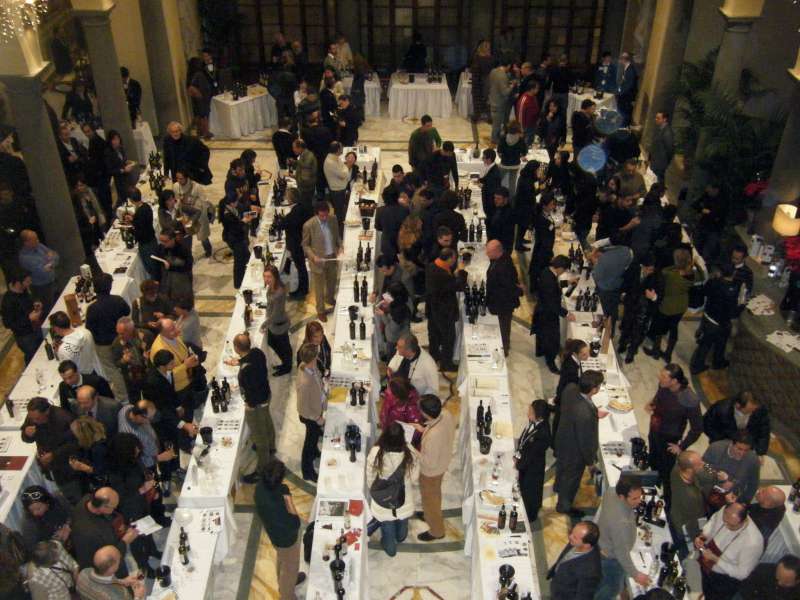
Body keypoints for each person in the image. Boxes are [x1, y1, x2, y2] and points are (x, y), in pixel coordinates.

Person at [106, 433, 166, 574]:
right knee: (137, 539)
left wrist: (151, 489)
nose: (138, 450)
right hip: (130, 509)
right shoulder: (115, 472)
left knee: (148, 527)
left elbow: (143, 474)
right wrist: (142, 490)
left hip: (142, 503)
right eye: (135, 448)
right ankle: (143, 565)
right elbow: (120, 498)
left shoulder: (134, 460)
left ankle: (152, 550)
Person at [646, 364, 702, 498]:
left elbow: (697, 428)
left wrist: (681, 446)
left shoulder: (689, 399)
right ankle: (651, 483)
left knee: (665, 469)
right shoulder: (663, 385)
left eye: (663, 376)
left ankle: (662, 495)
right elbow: (659, 397)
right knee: (653, 458)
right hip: (655, 429)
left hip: (669, 438)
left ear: (674, 381)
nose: (659, 377)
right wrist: (653, 404)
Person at [553, 371, 604, 516]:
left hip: (563, 440)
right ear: (594, 389)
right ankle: (564, 506)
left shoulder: (570, 388)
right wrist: (590, 461)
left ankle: (557, 487)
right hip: (574, 453)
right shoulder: (585, 414)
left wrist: (593, 411)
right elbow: (585, 441)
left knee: (561, 469)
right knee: (570, 481)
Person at [254, 459, 306, 597]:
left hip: (274, 534)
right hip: (285, 539)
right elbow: (295, 523)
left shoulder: (260, 487)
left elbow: (282, 488)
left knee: (283, 560)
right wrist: (289, 500)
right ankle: (287, 594)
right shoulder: (276, 508)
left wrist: (284, 490)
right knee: (290, 567)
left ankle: (288, 580)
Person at [367, 422, 420, 556]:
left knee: (387, 527)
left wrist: (375, 489)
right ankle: (401, 537)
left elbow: (370, 476)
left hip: (383, 500)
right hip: (403, 498)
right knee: (402, 522)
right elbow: (414, 478)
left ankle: (390, 548)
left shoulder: (376, 452)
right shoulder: (410, 451)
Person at [595, 477, 652, 599]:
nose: (639, 501)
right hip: (610, 557)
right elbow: (621, 553)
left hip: (601, 541)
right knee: (612, 588)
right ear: (621, 497)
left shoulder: (611, 491)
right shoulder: (621, 523)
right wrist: (636, 575)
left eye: (640, 496)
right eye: (634, 499)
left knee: (600, 581)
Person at [695, 502, 763, 600]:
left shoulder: (753, 542)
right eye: (724, 520)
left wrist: (715, 559)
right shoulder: (725, 510)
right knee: (697, 588)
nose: (725, 525)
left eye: (731, 525)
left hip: (721, 579)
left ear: (742, 522)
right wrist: (703, 536)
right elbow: (712, 522)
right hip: (705, 562)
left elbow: (742, 573)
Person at [232, 330, 274, 480]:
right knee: (267, 420)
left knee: (259, 434)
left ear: (236, 348)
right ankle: (271, 446)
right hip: (266, 395)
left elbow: (250, 390)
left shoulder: (245, 371)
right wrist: (239, 362)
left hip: (256, 403)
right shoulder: (257, 352)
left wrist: (249, 404)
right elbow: (254, 364)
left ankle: (262, 469)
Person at [71, 488, 139, 578]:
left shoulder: (87, 499)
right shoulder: (91, 533)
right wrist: (125, 541)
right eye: (113, 507)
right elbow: (109, 558)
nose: (114, 510)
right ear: (103, 507)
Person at [415, 394, 455, 542]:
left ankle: (437, 531)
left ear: (426, 413)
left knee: (430, 500)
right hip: (443, 461)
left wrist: (413, 451)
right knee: (434, 495)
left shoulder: (433, 436)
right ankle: (428, 514)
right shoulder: (445, 414)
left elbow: (429, 463)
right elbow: (435, 426)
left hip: (431, 473)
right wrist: (423, 428)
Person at [644, 248, 696, 364]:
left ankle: (655, 351)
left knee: (659, 328)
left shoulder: (670, 275)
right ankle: (668, 354)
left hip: (667, 306)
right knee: (673, 328)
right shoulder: (692, 273)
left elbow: (663, 273)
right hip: (681, 305)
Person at [85, 272, 131, 399]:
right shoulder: (118, 300)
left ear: (95, 289)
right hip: (120, 339)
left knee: (112, 369)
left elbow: (89, 328)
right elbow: (127, 311)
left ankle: (123, 395)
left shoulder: (92, 309)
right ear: (110, 286)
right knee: (125, 363)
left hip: (103, 344)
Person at [690, 263, 740, 374]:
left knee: (705, 344)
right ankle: (713, 363)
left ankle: (703, 364)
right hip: (720, 322)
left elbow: (704, 291)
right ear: (734, 273)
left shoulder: (714, 282)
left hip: (708, 316)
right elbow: (732, 310)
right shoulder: (732, 290)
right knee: (718, 344)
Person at [425, 248, 467, 371]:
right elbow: (459, 286)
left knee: (434, 334)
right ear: (449, 259)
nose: (455, 261)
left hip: (432, 307)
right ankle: (446, 364)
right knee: (448, 337)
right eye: (454, 258)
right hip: (443, 311)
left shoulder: (432, 266)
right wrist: (462, 271)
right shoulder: (442, 275)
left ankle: (434, 356)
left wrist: (453, 275)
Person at [531, 255, 573, 374]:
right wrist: (566, 314)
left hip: (541, 311)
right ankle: (551, 363)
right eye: (564, 270)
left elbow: (554, 287)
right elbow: (552, 303)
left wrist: (567, 282)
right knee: (552, 340)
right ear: (560, 268)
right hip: (547, 315)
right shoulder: (549, 280)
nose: (563, 272)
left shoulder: (547, 271)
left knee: (541, 335)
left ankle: (540, 352)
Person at [302, 201, 342, 321]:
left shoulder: (333, 219)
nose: (324, 218)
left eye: (326, 215)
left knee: (332, 282)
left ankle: (330, 299)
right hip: (317, 261)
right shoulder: (309, 225)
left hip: (331, 257)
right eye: (322, 216)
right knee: (319, 288)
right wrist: (313, 257)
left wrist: (340, 247)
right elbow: (305, 245)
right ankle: (320, 310)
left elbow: (337, 236)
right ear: (316, 214)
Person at [704, 392, 770, 460]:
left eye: (753, 410)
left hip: (747, 445)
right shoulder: (720, 409)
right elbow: (708, 426)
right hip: (724, 441)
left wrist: (760, 453)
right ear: (738, 405)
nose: (752, 413)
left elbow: (764, 431)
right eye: (748, 411)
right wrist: (723, 444)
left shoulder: (759, 410)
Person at [149, 318, 200, 407]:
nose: (177, 330)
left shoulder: (173, 335)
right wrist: (185, 365)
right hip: (179, 387)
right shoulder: (159, 350)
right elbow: (166, 376)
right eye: (172, 330)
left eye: (174, 325)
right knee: (188, 407)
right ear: (162, 333)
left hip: (189, 377)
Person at [618, 254, 659, 363]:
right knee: (626, 326)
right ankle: (623, 344)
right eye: (647, 269)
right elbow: (625, 282)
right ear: (642, 266)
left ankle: (631, 352)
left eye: (651, 269)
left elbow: (660, 294)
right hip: (630, 304)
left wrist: (653, 297)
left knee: (638, 332)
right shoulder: (633, 269)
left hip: (644, 310)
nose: (649, 272)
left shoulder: (656, 276)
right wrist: (623, 293)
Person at [515, 399, 551, 523]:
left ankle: (529, 516)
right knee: (523, 487)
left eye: (531, 411)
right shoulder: (534, 422)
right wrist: (518, 454)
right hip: (526, 461)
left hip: (533, 468)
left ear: (539, 416)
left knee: (530, 492)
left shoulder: (543, 434)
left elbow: (531, 455)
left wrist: (518, 464)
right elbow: (524, 439)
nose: (528, 413)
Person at [669, 450, 711, 556]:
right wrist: (699, 536)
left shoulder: (676, 470)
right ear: (689, 470)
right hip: (685, 526)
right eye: (699, 464)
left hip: (676, 515)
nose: (703, 464)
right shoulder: (691, 496)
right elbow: (697, 519)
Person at [485, 239, 523, 355]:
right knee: (503, 325)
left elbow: (509, 286)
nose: (486, 254)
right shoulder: (500, 257)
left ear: (497, 251)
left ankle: (504, 348)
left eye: (489, 252)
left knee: (504, 326)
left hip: (504, 303)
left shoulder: (504, 267)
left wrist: (519, 290)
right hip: (499, 300)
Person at [548, 520, 602, 600]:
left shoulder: (591, 572)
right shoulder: (576, 541)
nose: (570, 536)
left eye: (575, 537)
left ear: (586, 545)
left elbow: (583, 597)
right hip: (557, 585)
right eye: (572, 533)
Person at [703, 432, 761, 505]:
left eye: (746, 450)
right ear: (731, 444)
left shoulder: (753, 460)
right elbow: (704, 466)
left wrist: (742, 503)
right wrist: (715, 474)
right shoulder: (716, 448)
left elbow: (753, 485)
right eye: (739, 449)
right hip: (709, 490)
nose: (742, 453)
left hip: (733, 497)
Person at [296, 343, 326, 482]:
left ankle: (314, 452)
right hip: (310, 416)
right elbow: (303, 407)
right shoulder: (305, 382)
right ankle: (307, 471)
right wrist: (317, 418)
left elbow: (317, 379)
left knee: (313, 438)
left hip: (316, 409)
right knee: (309, 441)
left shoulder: (307, 366)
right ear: (313, 358)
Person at [1, 270, 43, 363]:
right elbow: (7, 323)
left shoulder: (23, 290)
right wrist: (28, 319)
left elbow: (29, 302)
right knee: (32, 357)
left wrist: (35, 304)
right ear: (18, 283)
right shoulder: (8, 301)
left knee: (40, 351)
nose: (30, 283)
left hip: (35, 328)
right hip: (25, 336)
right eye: (27, 281)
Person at [76, 545, 146, 599]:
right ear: (111, 569)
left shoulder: (84, 572)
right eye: (119, 560)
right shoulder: (118, 596)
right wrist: (138, 596)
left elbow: (105, 580)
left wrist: (122, 581)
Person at [49, 311, 105, 376]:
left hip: (84, 377)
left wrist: (58, 352)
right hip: (97, 369)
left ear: (56, 328)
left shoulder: (63, 350)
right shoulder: (85, 331)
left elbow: (66, 370)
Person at [219, 188, 254, 290]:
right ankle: (238, 284)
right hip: (234, 239)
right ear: (231, 203)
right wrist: (244, 221)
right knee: (239, 262)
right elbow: (235, 227)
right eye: (236, 201)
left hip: (238, 237)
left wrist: (247, 215)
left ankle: (249, 273)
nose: (237, 203)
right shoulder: (227, 214)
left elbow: (239, 215)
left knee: (246, 256)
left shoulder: (230, 208)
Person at [553, 339, 589, 438]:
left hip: (564, 391)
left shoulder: (573, 359)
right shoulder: (571, 369)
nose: (588, 356)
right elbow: (574, 385)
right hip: (565, 397)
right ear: (575, 354)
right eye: (584, 354)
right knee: (559, 421)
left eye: (588, 352)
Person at [173, 169, 213, 258]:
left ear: (187, 178)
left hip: (198, 213)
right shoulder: (176, 186)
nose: (179, 180)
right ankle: (188, 255)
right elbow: (177, 200)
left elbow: (204, 201)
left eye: (181, 178)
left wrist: (205, 211)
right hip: (186, 214)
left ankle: (208, 249)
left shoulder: (197, 187)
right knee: (187, 235)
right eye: (177, 178)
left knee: (203, 236)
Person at [18, 229, 59, 313]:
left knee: (58, 304)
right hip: (41, 288)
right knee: (49, 310)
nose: (38, 241)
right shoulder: (24, 257)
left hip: (52, 281)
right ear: (26, 243)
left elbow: (56, 256)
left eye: (37, 238)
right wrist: (50, 259)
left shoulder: (39, 246)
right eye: (34, 239)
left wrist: (49, 263)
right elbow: (43, 272)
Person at [262, 265, 293, 376]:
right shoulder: (271, 287)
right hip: (274, 324)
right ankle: (285, 363)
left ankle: (287, 367)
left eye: (269, 277)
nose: (266, 279)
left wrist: (264, 325)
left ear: (275, 277)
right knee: (274, 343)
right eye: (265, 276)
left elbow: (275, 314)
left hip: (279, 325)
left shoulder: (279, 293)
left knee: (283, 347)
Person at [283, 188, 311, 299]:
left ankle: (302, 291)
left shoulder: (293, 214)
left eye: (287, 197)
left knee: (301, 268)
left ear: (291, 199)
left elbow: (284, 224)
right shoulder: (303, 207)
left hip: (296, 244)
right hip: (301, 240)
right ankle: (302, 289)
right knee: (301, 267)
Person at [80, 122, 112, 219]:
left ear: (93, 130)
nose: (87, 134)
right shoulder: (94, 140)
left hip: (101, 176)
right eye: (85, 132)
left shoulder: (96, 141)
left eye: (88, 131)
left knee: (105, 201)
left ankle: (110, 217)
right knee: (105, 200)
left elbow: (97, 161)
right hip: (101, 175)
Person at [528, 192, 557, 295]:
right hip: (543, 250)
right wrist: (550, 254)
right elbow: (545, 240)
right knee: (540, 270)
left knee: (537, 269)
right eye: (551, 204)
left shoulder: (543, 215)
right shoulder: (542, 220)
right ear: (545, 206)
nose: (553, 206)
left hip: (542, 248)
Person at [154, 228, 193, 302]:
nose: (162, 243)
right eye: (161, 240)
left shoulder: (183, 249)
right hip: (168, 280)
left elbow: (188, 266)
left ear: (173, 239)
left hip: (181, 279)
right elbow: (157, 265)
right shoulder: (161, 248)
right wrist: (156, 279)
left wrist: (171, 267)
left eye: (165, 241)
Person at [692, 182, 727, 262]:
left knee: (707, 251)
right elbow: (695, 204)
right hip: (704, 224)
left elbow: (718, 214)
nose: (708, 191)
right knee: (696, 244)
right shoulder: (707, 195)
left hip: (714, 229)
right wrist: (703, 210)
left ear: (715, 190)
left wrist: (709, 212)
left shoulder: (722, 201)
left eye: (710, 190)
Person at [104, 130, 140, 204]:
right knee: (126, 199)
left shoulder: (120, 148)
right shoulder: (108, 153)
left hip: (127, 177)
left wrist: (128, 162)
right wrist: (123, 170)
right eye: (114, 139)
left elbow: (123, 160)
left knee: (132, 194)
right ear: (110, 141)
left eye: (117, 139)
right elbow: (109, 170)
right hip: (119, 180)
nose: (116, 141)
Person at [749, 486, 787, 554]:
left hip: (751, 545)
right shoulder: (778, 506)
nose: (760, 490)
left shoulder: (760, 522)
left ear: (767, 503)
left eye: (763, 492)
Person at [376, 188, 411, 259]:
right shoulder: (405, 210)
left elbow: (378, 227)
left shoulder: (380, 210)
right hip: (402, 242)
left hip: (387, 243)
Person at [186, 56, 215, 139]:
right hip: (202, 97)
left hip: (200, 97)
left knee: (200, 114)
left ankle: (201, 131)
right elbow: (191, 87)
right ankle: (205, 132)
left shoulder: (192, 74)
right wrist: (199, 94)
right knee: (203, 114)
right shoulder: (198, 74)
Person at [497, 121, 527, 196]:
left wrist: (503, 157)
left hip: (504, 164)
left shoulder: (503, 138)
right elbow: (524, 152)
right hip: (515, 165)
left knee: (498, 181)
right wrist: (520, 155)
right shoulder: (521, 139)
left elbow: (499, 152)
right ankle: (511, 200)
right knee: (512, 184)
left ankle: (498, 196)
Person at [489, 59, 514, 144]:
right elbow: (505, 92)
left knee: (496, 123)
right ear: (508, 66)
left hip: (493, 99)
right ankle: (495, 140)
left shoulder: (493, 71)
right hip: (499, 103)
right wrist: (512, 86)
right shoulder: (503, 76)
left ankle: (496, 137)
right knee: (497, 124)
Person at [57, 120, 87, 186]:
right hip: (71, 175)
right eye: (65, 135)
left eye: (68, 134)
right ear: (59, 135)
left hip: (82, 170)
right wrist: (68, 160)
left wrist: (78, 157)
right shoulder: (58, 147)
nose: (67, 136)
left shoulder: (74, 140)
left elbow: (83, 154)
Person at [470, 40, 493, 122]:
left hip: (479, 81)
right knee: (487, 99)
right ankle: (489, 117)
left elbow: (475, 71)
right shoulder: (490, 59)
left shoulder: (477, 58)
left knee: (477, 99)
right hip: (488, 81)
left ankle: (477, 116)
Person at [649, 111, 674, 184]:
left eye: (658, 118)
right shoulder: (660, 129)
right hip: (656, 162)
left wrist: (665, 161)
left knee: (659, 181)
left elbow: (670, 149)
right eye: (656, 118)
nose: (656, 119)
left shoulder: (667, 132)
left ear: (664, 119)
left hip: (660, 163)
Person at [292, 138, 317, 208]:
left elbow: (305, 178)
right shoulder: (304, 154)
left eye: (294, 148)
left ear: (300, 148)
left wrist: (295, 177)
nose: (293, 150)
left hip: (306, 189)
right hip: (306, 188)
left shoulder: (307, 157)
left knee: (306, 207)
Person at [478, 148, 502, 219]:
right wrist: (480, 180)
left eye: (483, 158)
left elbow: (492, 190)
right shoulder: (491, 167)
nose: (482, 159)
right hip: (488, 200)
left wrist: (482, 186)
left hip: (490, 203)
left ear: (489, 159)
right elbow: (487, 178)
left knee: (490, 217)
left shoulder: (495, 172)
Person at [616, 52, 638, 125]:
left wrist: (619, 93)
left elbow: (629, 86)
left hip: (626, 97)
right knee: (623, 114)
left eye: (621, 59)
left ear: (624, 60)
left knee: (624, 115)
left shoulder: (630, 70)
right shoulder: (627, 68)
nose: (620, 61)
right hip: (625, 96)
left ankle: (623, 128)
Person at [516, 82, 541, 147]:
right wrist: (521, 129)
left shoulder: (534, 97)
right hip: (525, 127)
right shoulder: (524, 99)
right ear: (532, 89)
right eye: (537, 88)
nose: (538, 90)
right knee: (525, 145)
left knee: (530, 144)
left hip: (533, 125)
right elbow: (520, 114)